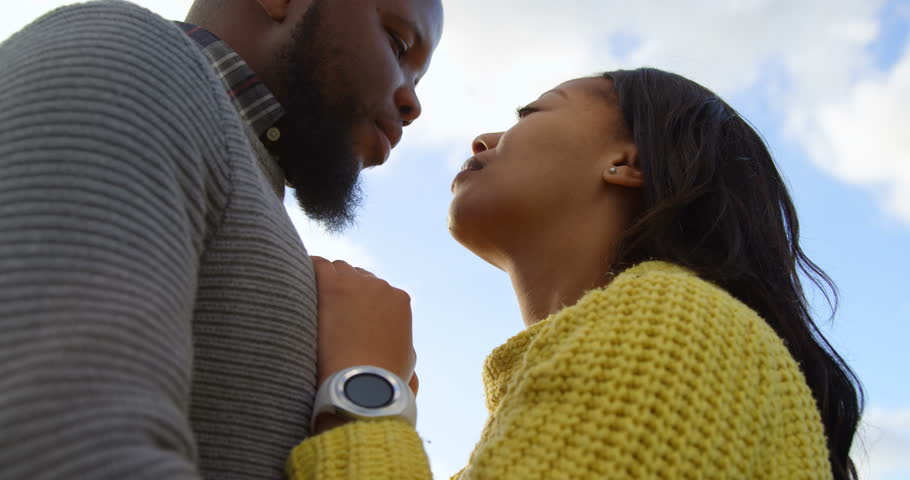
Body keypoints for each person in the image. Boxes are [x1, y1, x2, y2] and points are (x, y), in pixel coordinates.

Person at [305, 69, 864, 479]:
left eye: (530, 114)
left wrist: (364, 385)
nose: (484, 140)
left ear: (626, 162)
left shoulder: (676, 321)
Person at [0, 0, 442, 478]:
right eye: (397, 44)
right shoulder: (138, 61)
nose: (412, 104)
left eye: (419, 81)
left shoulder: (238, 168)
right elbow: (54, 444)